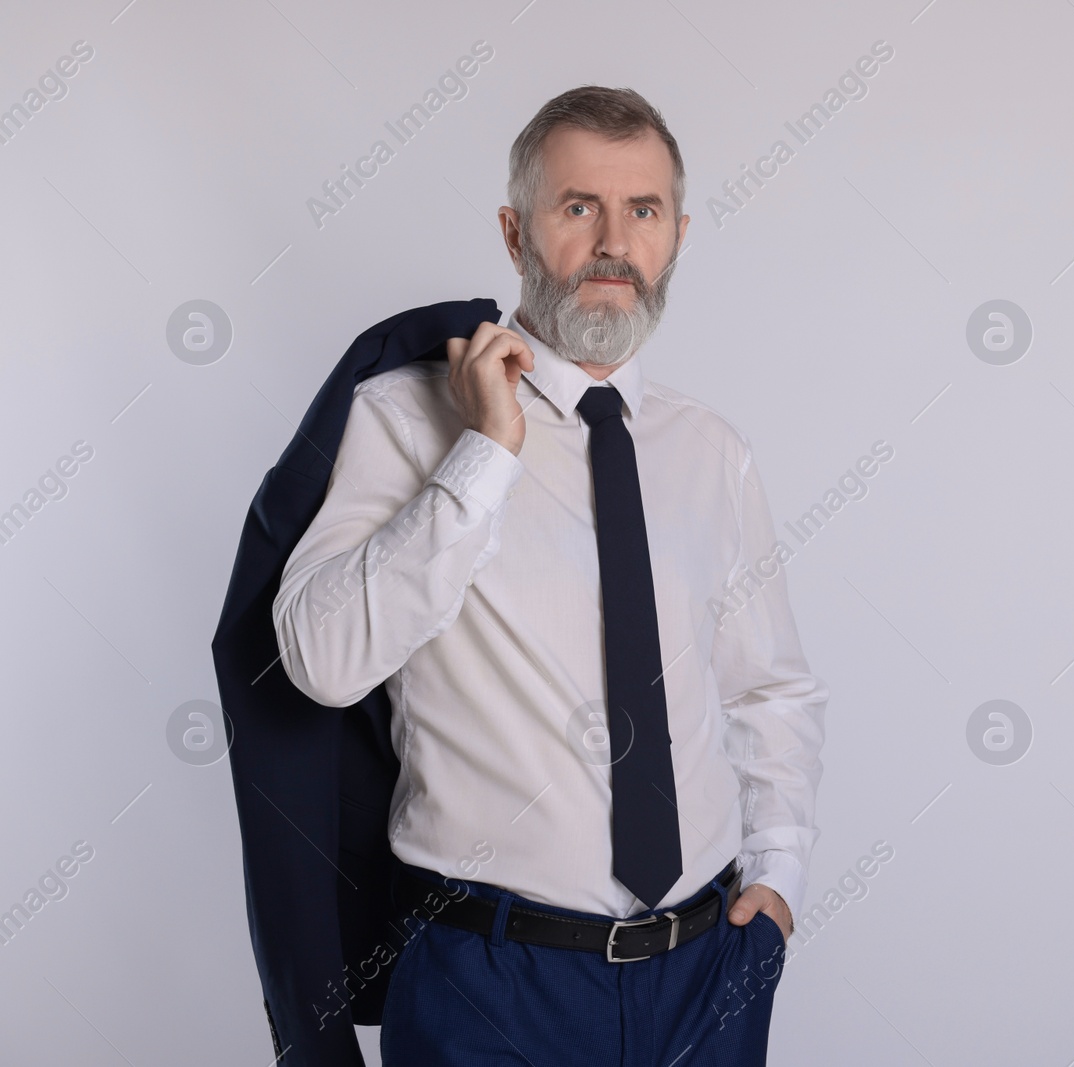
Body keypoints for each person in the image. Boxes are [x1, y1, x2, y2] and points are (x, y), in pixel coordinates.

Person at [272, 85, 826, 1066]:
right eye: (579, 207)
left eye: (642, 211)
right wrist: (484, 453)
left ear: (677, 235)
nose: (613, 241)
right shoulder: (404, 420)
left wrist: (777, 875)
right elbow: (320, 660)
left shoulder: (711, 450)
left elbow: (767, 684)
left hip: (706, 974)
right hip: (489, 982)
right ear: (514, 231)